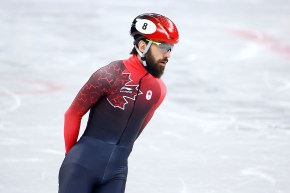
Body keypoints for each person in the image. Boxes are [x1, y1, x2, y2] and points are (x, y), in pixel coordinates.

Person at [58, 13, 179, 193]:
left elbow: (135, 132)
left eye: (171, 48)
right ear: (142, 46)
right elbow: (73, 114)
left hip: (117, 173)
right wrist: (71, 157)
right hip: (80, 167)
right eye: (163, 47)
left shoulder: (158, 90)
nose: (168, 54)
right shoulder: (110, 74)